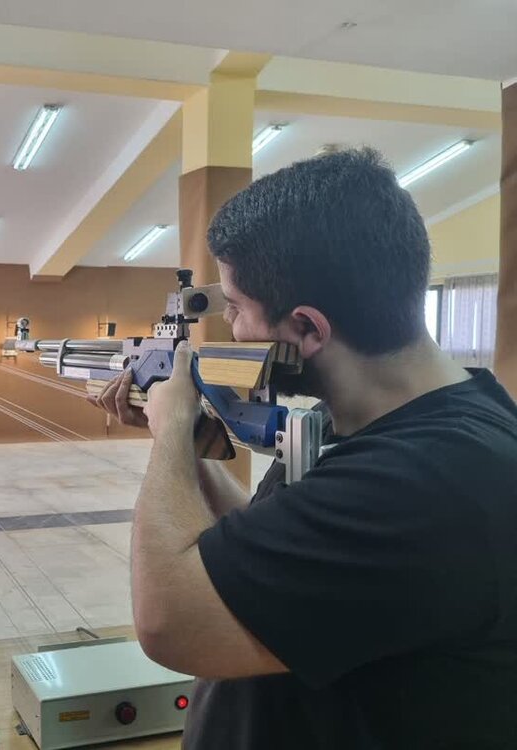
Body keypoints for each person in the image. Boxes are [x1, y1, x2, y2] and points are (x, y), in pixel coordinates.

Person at [89, 148, 517, 749]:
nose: (231, 327)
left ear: (308, 328)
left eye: (236, 307)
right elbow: (276, 556)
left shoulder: (426, 479)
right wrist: (187, 448)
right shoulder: (364, 423)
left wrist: (170, 435)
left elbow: (171, 622)